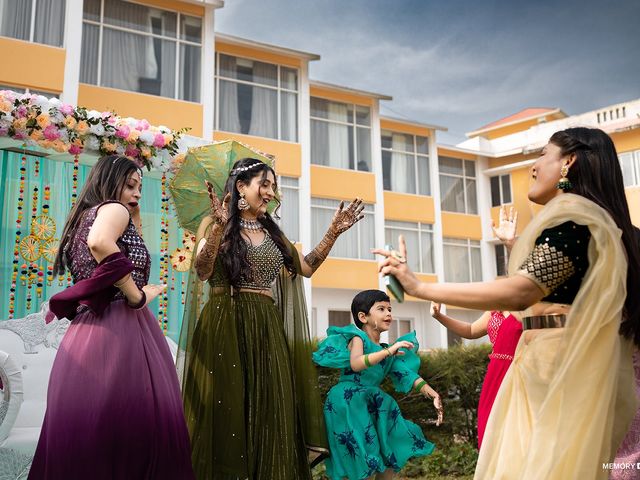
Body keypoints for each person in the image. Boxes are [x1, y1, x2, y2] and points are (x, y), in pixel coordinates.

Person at [374, 127, 640, 479]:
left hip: (559, 371)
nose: (533, 167)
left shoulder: (575, 221)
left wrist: (420, 287)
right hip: (558, 366)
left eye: (544, 154)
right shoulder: (607, 229)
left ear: (569, 162)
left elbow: (521, 290)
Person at [178, 157, 364, 479]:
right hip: (225, 325)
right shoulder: (213, 223)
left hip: (266, 328)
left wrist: (332, 232)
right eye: (264, 184)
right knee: (227, 410)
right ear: (240, 187)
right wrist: (220, 228)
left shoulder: (271, 231)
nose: (270, 193)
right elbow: (203, 270)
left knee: (271, 409)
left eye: (273, 187)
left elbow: (305, 267)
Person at [29, 155, 195, 479]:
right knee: (136, 437)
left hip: (86, 333)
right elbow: (100, 243)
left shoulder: (84, 218)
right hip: (119, 333)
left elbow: (100, 250)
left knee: (93, 442)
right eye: (130, 185)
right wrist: (137, 295)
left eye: (140, 188)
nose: (136, 194)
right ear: (109, 182)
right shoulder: (113, 210)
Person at [313, 289, 442, 480]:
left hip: (373, 405)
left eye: (390, 309)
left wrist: (432, 393)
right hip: (349, 404)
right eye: (381, 309)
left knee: (391, 453)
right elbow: (356, 363)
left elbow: (407, 375)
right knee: (362, 460)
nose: (388, 313)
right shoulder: (358, 339)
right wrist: (389, 351)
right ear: (363, 317)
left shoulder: (387, 351)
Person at [430, 205, 522, 448]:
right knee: (491, 436)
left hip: (518, 374)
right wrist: (440, 317)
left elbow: (523, 273)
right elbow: (471, 331)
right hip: (494, 374)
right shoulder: (494, 310)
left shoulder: (525, 309)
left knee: (515, 437)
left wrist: (510, 244)